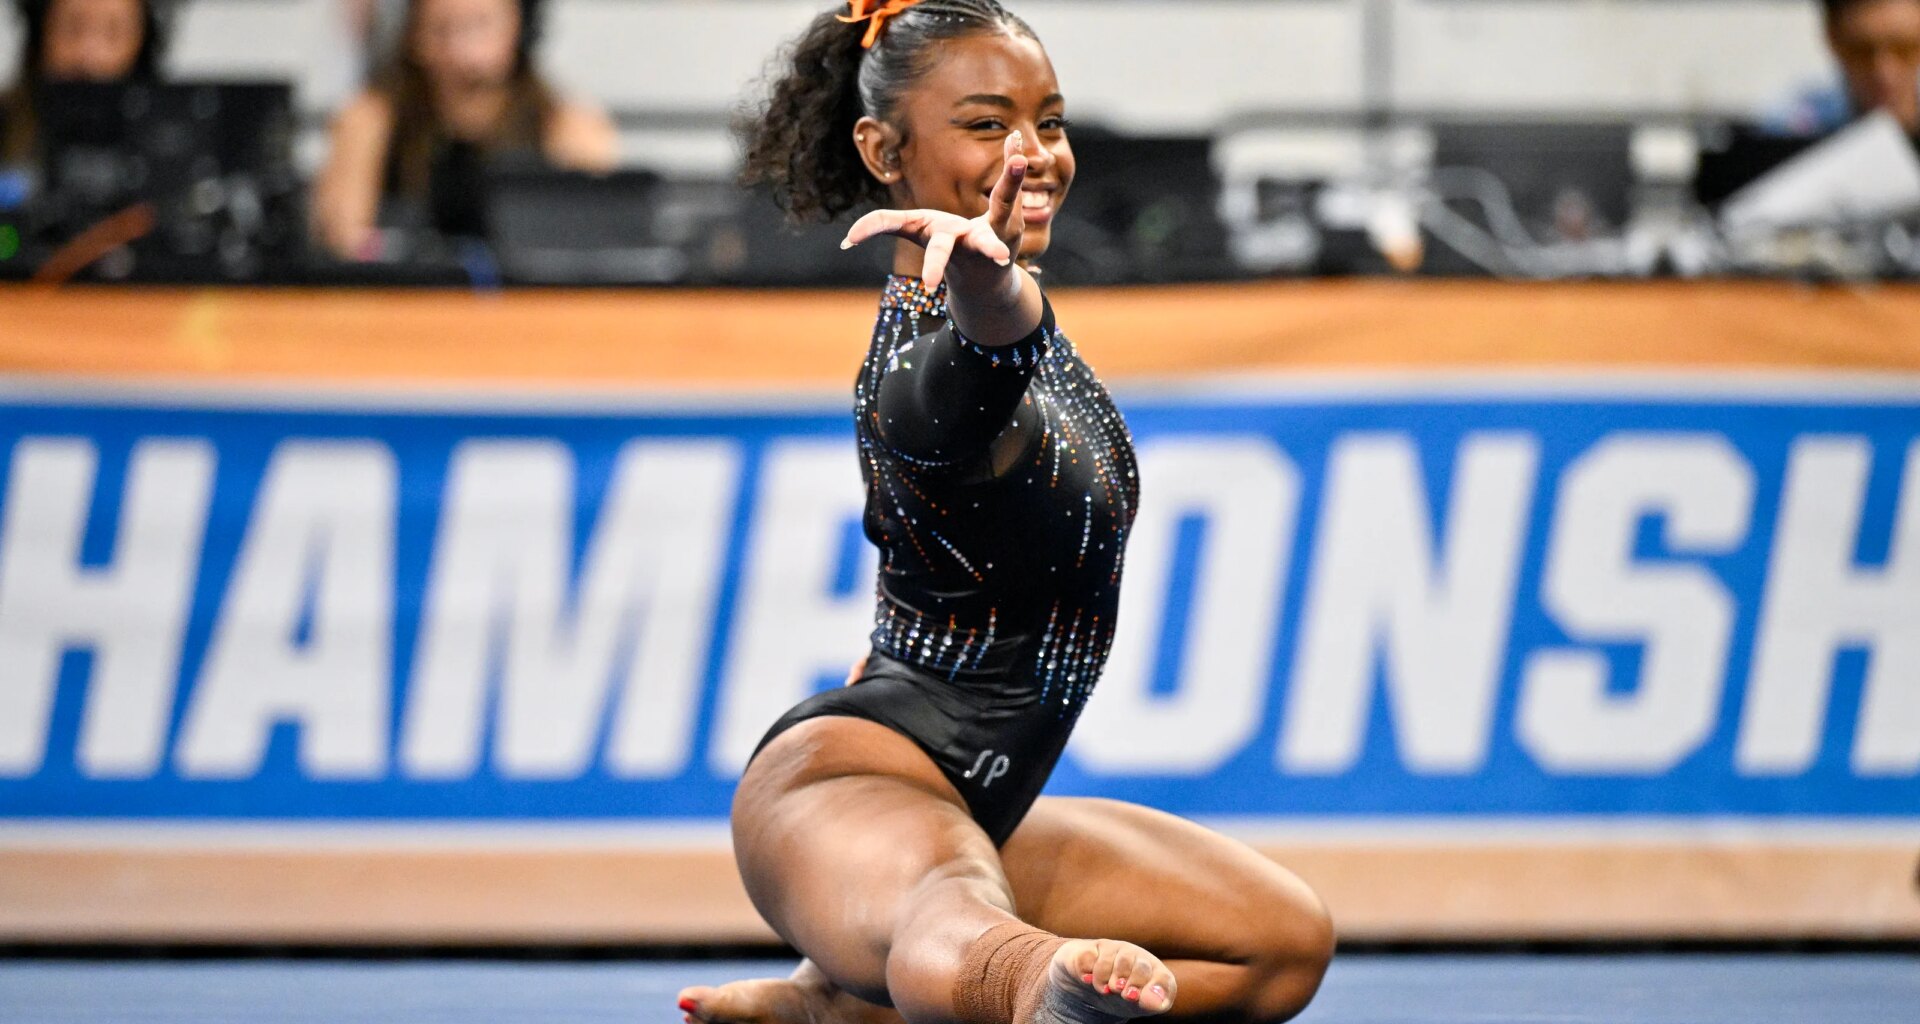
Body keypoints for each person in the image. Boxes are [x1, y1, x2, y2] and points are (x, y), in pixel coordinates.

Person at [677, 5, 1335, 1024]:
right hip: (843, 788)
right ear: (883, 150)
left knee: (1281, 945)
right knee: (959, 905)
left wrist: (1001, 289)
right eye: (987, 125)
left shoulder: (1011, 328)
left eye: (1050, 121)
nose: (1033, 157)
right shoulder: (918, 367)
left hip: (977, 800)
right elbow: (977, 363)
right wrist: (993, 286)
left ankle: (842, 1008)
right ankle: (1028, 987)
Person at [310, 0, 616, 259]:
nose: (461, 50)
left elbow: (596, 245)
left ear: (520, 26)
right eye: (443, 28)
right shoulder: (375, 116)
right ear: (414, 35)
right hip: (404, 306)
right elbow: (342, 240)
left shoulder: (563, 121)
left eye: (479, 25)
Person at [1, 0, 162, 166]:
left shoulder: (165, 143)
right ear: (40, 31)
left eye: (113, 32)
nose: (88, 56)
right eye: (72, 27)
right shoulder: (5, 124)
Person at [1767, 0, 1920, 136]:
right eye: (1861, 51)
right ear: (1833, 37)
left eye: (1905, 49)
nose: (1885, 72)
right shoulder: (1794, 125)